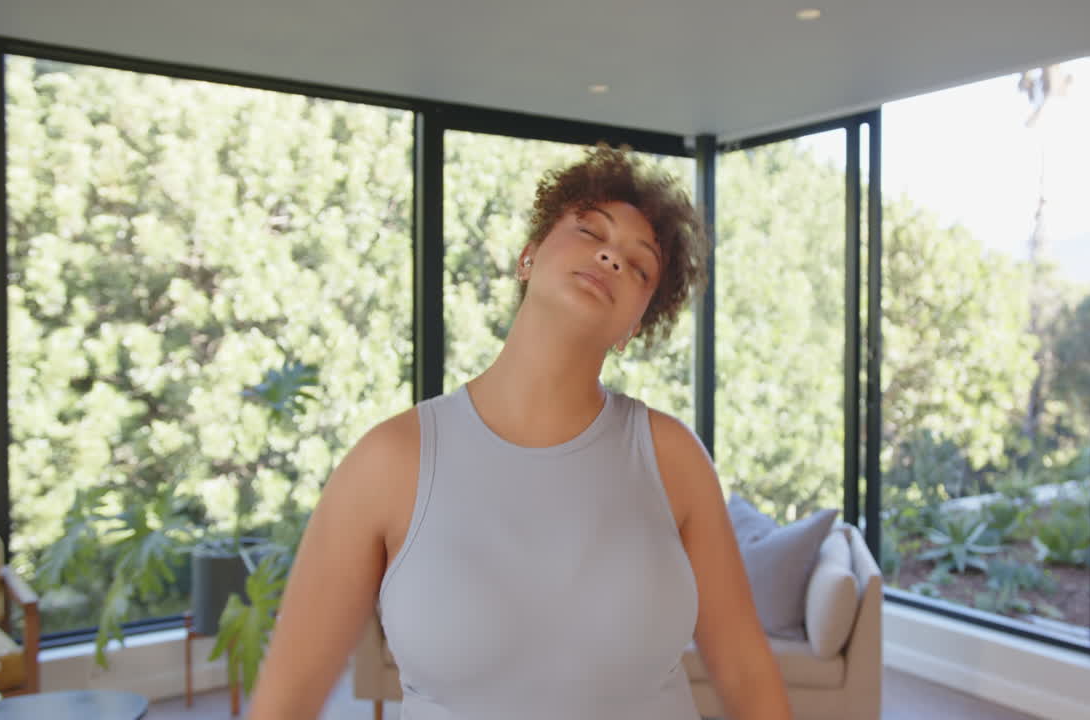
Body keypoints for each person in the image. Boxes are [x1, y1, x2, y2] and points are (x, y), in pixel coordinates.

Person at [247, 145, 791, 720]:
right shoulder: (388, 461)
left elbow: (746, 673)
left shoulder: (673, 457)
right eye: (589, 231)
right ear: (528, 257)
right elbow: (287, 697)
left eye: (639, 266)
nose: (610, 257)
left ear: (634, 324)